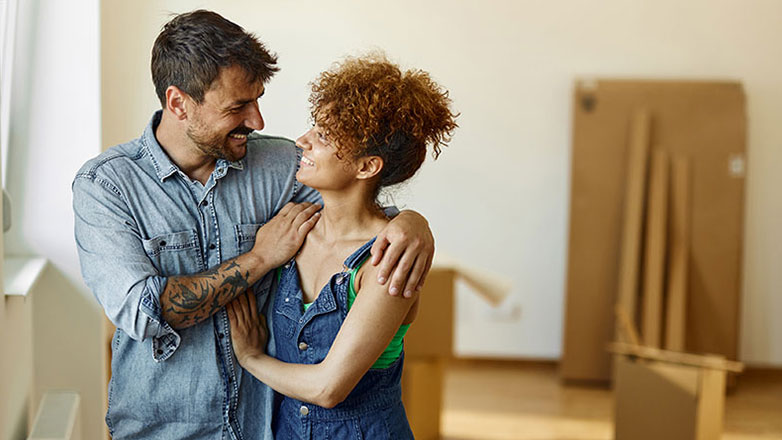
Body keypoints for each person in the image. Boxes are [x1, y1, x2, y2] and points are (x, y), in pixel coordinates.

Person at [72, 10, 435, 440]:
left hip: (262, 427)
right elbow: (146, 310)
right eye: (238, 106)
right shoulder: (107, 186)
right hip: (163, 430)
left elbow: (358, 200)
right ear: (178, 103)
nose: (258, 121)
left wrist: (413, 223)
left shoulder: (279, 166)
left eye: (257, 99)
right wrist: (260, 258)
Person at [227, 54, 457, 439]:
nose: (302, 141)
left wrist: (250, 357)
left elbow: (328, 388)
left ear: (367, 167)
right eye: (314, 128)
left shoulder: (387, 260)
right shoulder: (292, 231)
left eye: (324, 136)